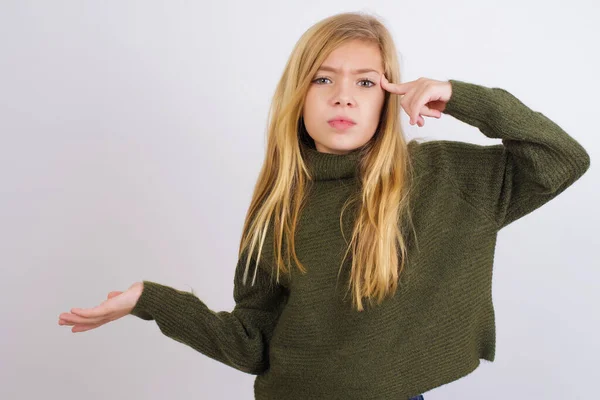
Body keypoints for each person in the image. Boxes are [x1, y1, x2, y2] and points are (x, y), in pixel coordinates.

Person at [58, 11, 590, 400]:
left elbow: (562, 158)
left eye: (365, 81)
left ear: (388, 97)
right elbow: (252, 345)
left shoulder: (451, 178)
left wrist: (458, 95)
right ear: (300, 95)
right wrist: (150, 300)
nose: (343, 96)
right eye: (323, 79)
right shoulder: (278, 206)